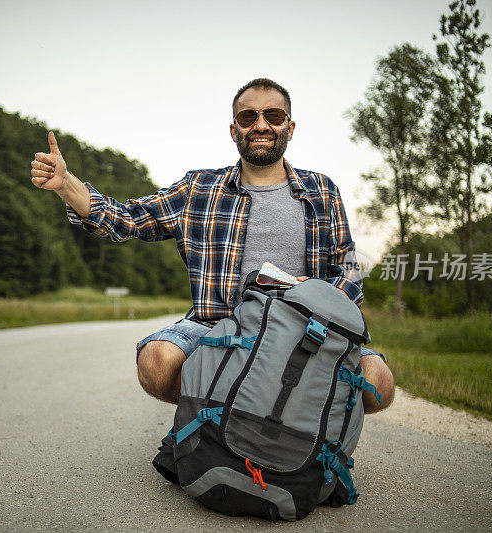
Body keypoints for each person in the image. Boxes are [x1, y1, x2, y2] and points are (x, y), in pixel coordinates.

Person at [31, 78, 394, 414]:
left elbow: (348, 269)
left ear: (290, 127)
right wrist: (65, 184)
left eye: (274, 115)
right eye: (248, 116)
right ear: (234, 129)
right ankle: (220, 420)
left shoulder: (322, 190)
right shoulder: (198, 188)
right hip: (216, 324)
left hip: (307, 328)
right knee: (156, 361)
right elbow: (127, 219)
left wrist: (313, 292)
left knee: (378, 384)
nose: (261, 125)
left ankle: (291, 427)